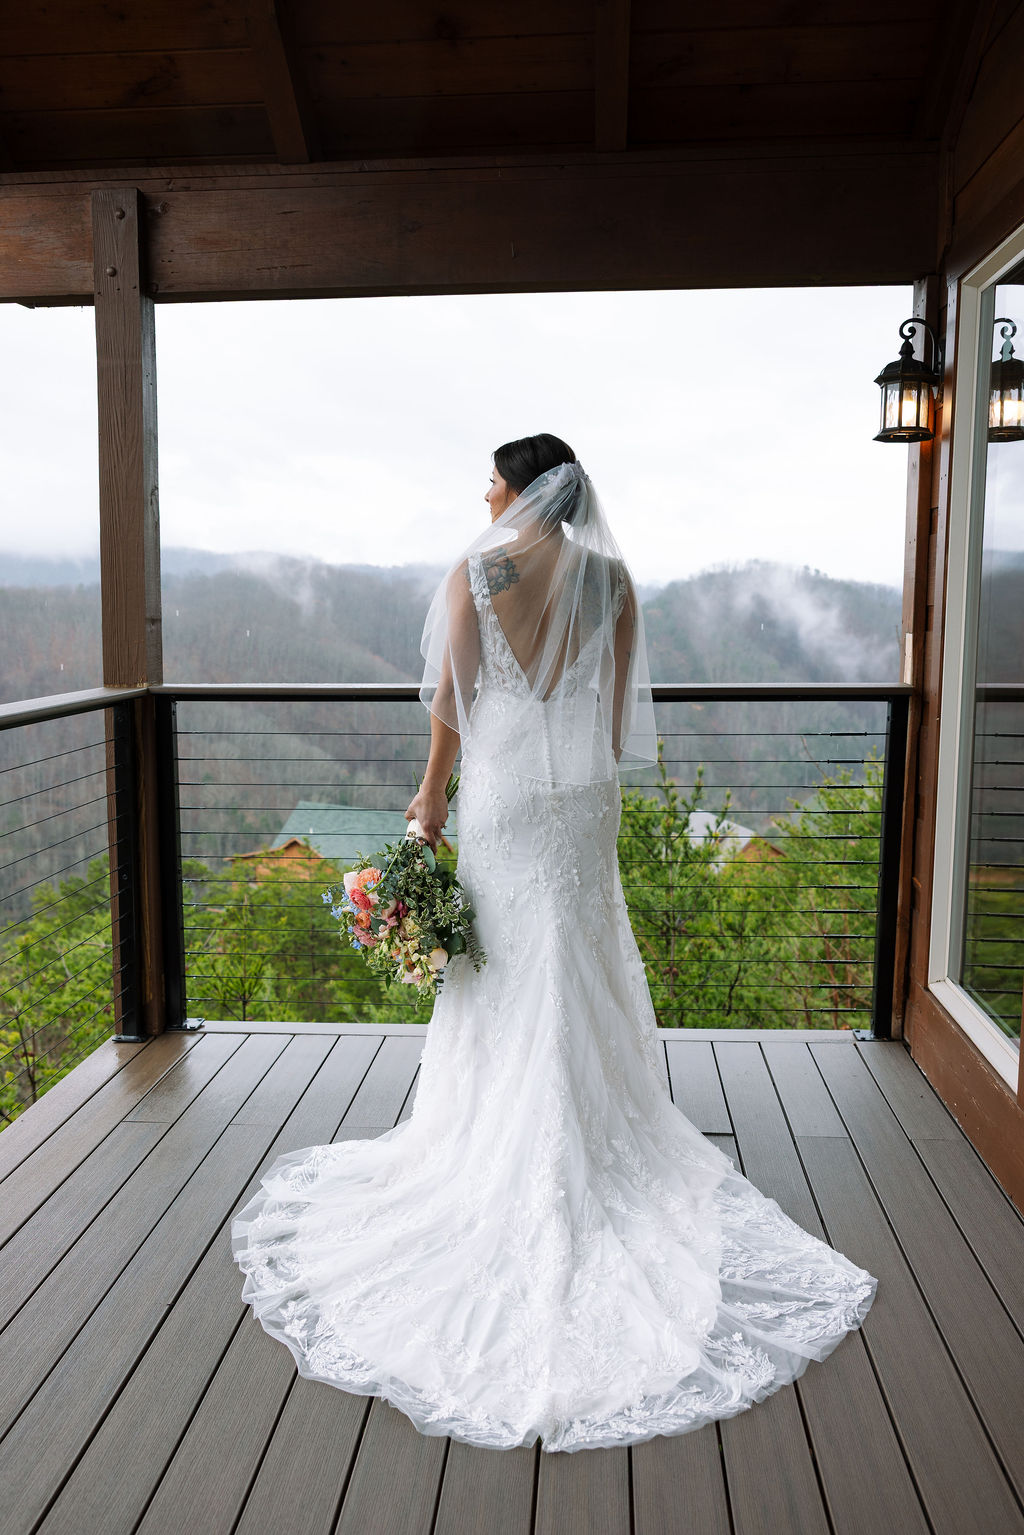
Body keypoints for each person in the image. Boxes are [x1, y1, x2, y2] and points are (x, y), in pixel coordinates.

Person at [231, 434, 877, 1454]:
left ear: (521, 487)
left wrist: (429, 801)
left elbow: (451, 706)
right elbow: (617, 711)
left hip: (504, 800)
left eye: (490, 474)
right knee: (576, 963)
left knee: (501, 973)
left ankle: (502, 1140)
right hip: (581, 803)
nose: (481, 490)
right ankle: (596, 1126)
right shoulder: (613, 580)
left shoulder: (475, 571)